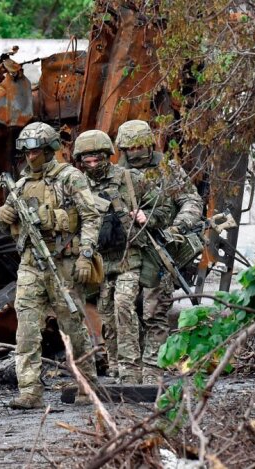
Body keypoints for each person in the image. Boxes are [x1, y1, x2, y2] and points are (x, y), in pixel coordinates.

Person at [0, 122, 100, 409]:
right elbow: (8, 228)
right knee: (26, 328)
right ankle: (30, 391)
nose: (31, 157)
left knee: (72, 326)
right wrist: (3, 216)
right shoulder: (20, 185)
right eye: (26, 152)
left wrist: (85, 256)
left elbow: (91, 217)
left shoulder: (70, 178)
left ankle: (87, 384)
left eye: (37, 151)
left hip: (63, 261)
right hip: (30, 264)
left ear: (50, 149)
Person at [75, 129, 171, 384]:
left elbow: (163, 207)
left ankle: (131, 370)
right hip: (101, 262)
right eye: (88, 161)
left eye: (98, 160)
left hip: (130, 257)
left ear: (108, 156)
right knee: (106, 314)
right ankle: (116, 366)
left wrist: (145, 217)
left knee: (123, 306)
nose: (93, 166)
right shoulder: (79, 186)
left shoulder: (129, 179)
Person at [115, 120, 204, 383]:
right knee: (123, 308)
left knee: (155, 311)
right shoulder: (116, 173)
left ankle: (154, 371)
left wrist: (179, 226)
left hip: (161, 247)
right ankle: (127, 371)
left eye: (141, 146)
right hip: (127, 251)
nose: (136, 152)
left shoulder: (167, 169)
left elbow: (190, 200)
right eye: (130, 147)